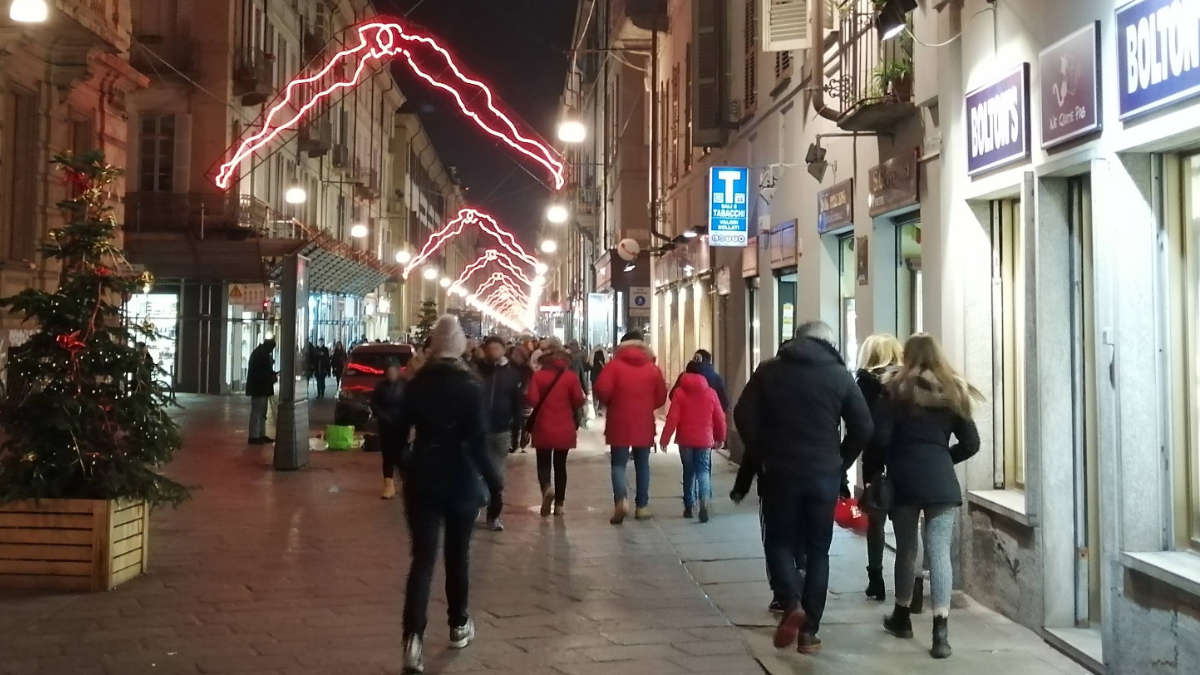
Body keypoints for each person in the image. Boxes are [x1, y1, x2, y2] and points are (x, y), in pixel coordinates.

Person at [732, 320, 873, 655]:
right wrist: (841, 459)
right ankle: (809, 633)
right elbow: (864, 426)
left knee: (779, 542)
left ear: (796, 340)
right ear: (828, 343)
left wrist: (762, 451)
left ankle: (791, 602)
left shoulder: (769, 371)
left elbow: (742, 413)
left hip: (779, 472)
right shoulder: (839, 375)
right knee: (818, 550)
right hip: (823, 475)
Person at [396, 315, 501, 673]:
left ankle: (412, 641)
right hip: (461, 479)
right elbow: (477, 443)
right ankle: (458, 624)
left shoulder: (415, 385)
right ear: (459, 347)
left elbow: (397, 436)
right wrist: (493, 480)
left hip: (423, 478)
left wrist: (407, 464)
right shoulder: (471, 387)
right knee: (458, 556)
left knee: (422, 561)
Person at [875, 334, 981, 660]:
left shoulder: (894, 391)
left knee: (907, 549)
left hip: (905, 480)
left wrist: (881, 468)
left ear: (907, 355)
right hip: (941, 483)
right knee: (939, 553)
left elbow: (880, 438)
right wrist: (942, 457)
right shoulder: (951, 392)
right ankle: (941, 631)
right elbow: (972, 443)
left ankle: (902, 616)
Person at [594, 330, 667, 524]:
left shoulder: (613, 366)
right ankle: (642, 507)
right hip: (643, 422)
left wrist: (612, 402)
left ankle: (621, 500)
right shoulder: (652, 368)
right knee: (642, 464)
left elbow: (602, 389)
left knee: (618, 464)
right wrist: (646, 405)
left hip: (619, 422)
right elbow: (661, 396)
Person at [854, 334, 905, 602]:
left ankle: (876, 578)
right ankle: (909, 587)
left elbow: (859, 423)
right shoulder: (907, 382)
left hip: (875, 460)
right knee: (905, 523)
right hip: (905, 459)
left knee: (876, 520)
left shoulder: (864, 383)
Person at [660, 361, 726, 523]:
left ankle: (689, 506)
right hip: (704, 440)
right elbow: (719, 418)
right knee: (703, 471)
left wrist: (665, 439)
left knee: (688, 472)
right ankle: (704, 499)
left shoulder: (680, 393)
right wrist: (720, 437)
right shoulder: (711, 393)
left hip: (685, 440)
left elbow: (673, 418)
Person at [524, 346, 586, 517]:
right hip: (564, 428)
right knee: (560, 466)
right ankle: (559, 505)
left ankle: (546, 488)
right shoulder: (570, 377)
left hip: (543, 427)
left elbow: (532, 400)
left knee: (543, 463)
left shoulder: (538, 376)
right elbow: (579, 400)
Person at [477, 336, 524, 530]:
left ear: (503, 350)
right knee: (477, 472)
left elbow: (517, 403)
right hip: (478, 430)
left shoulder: (512, 374)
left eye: (497, 348)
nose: (493, 351)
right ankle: (477, 504)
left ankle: (493, 515)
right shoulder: (478, 371)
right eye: (490, 348)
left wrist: (517, 430)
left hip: (501, 429)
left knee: (496, 475)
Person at [371, 357, 408, 500]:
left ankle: (406, 484)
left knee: (402, 456)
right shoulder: (381, 387)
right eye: (388, 371)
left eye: (393, 371)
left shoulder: (405, 385)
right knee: (388, 456)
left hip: (401, 425)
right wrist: (383, 416)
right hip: (386, 426)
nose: (390, 374)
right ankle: (388, 485)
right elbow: (374, 404)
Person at [245, 338, 277, 444]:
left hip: (261, 388)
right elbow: (260, 373)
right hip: (259, 388)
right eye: (271, 349)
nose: (271, 351)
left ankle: (260, 434)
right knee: (257, 413)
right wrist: (271, 374)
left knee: (262, 413)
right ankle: (254, 436)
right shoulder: (260, 355)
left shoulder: (261, 353)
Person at [590, 349, 606, 415]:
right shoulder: (603, 361)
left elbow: (588, 366)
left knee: (594, 394)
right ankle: (600, 408)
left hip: (594, 379)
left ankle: (595, 408)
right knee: (601, 393)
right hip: (602, 379)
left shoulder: (593, 361)